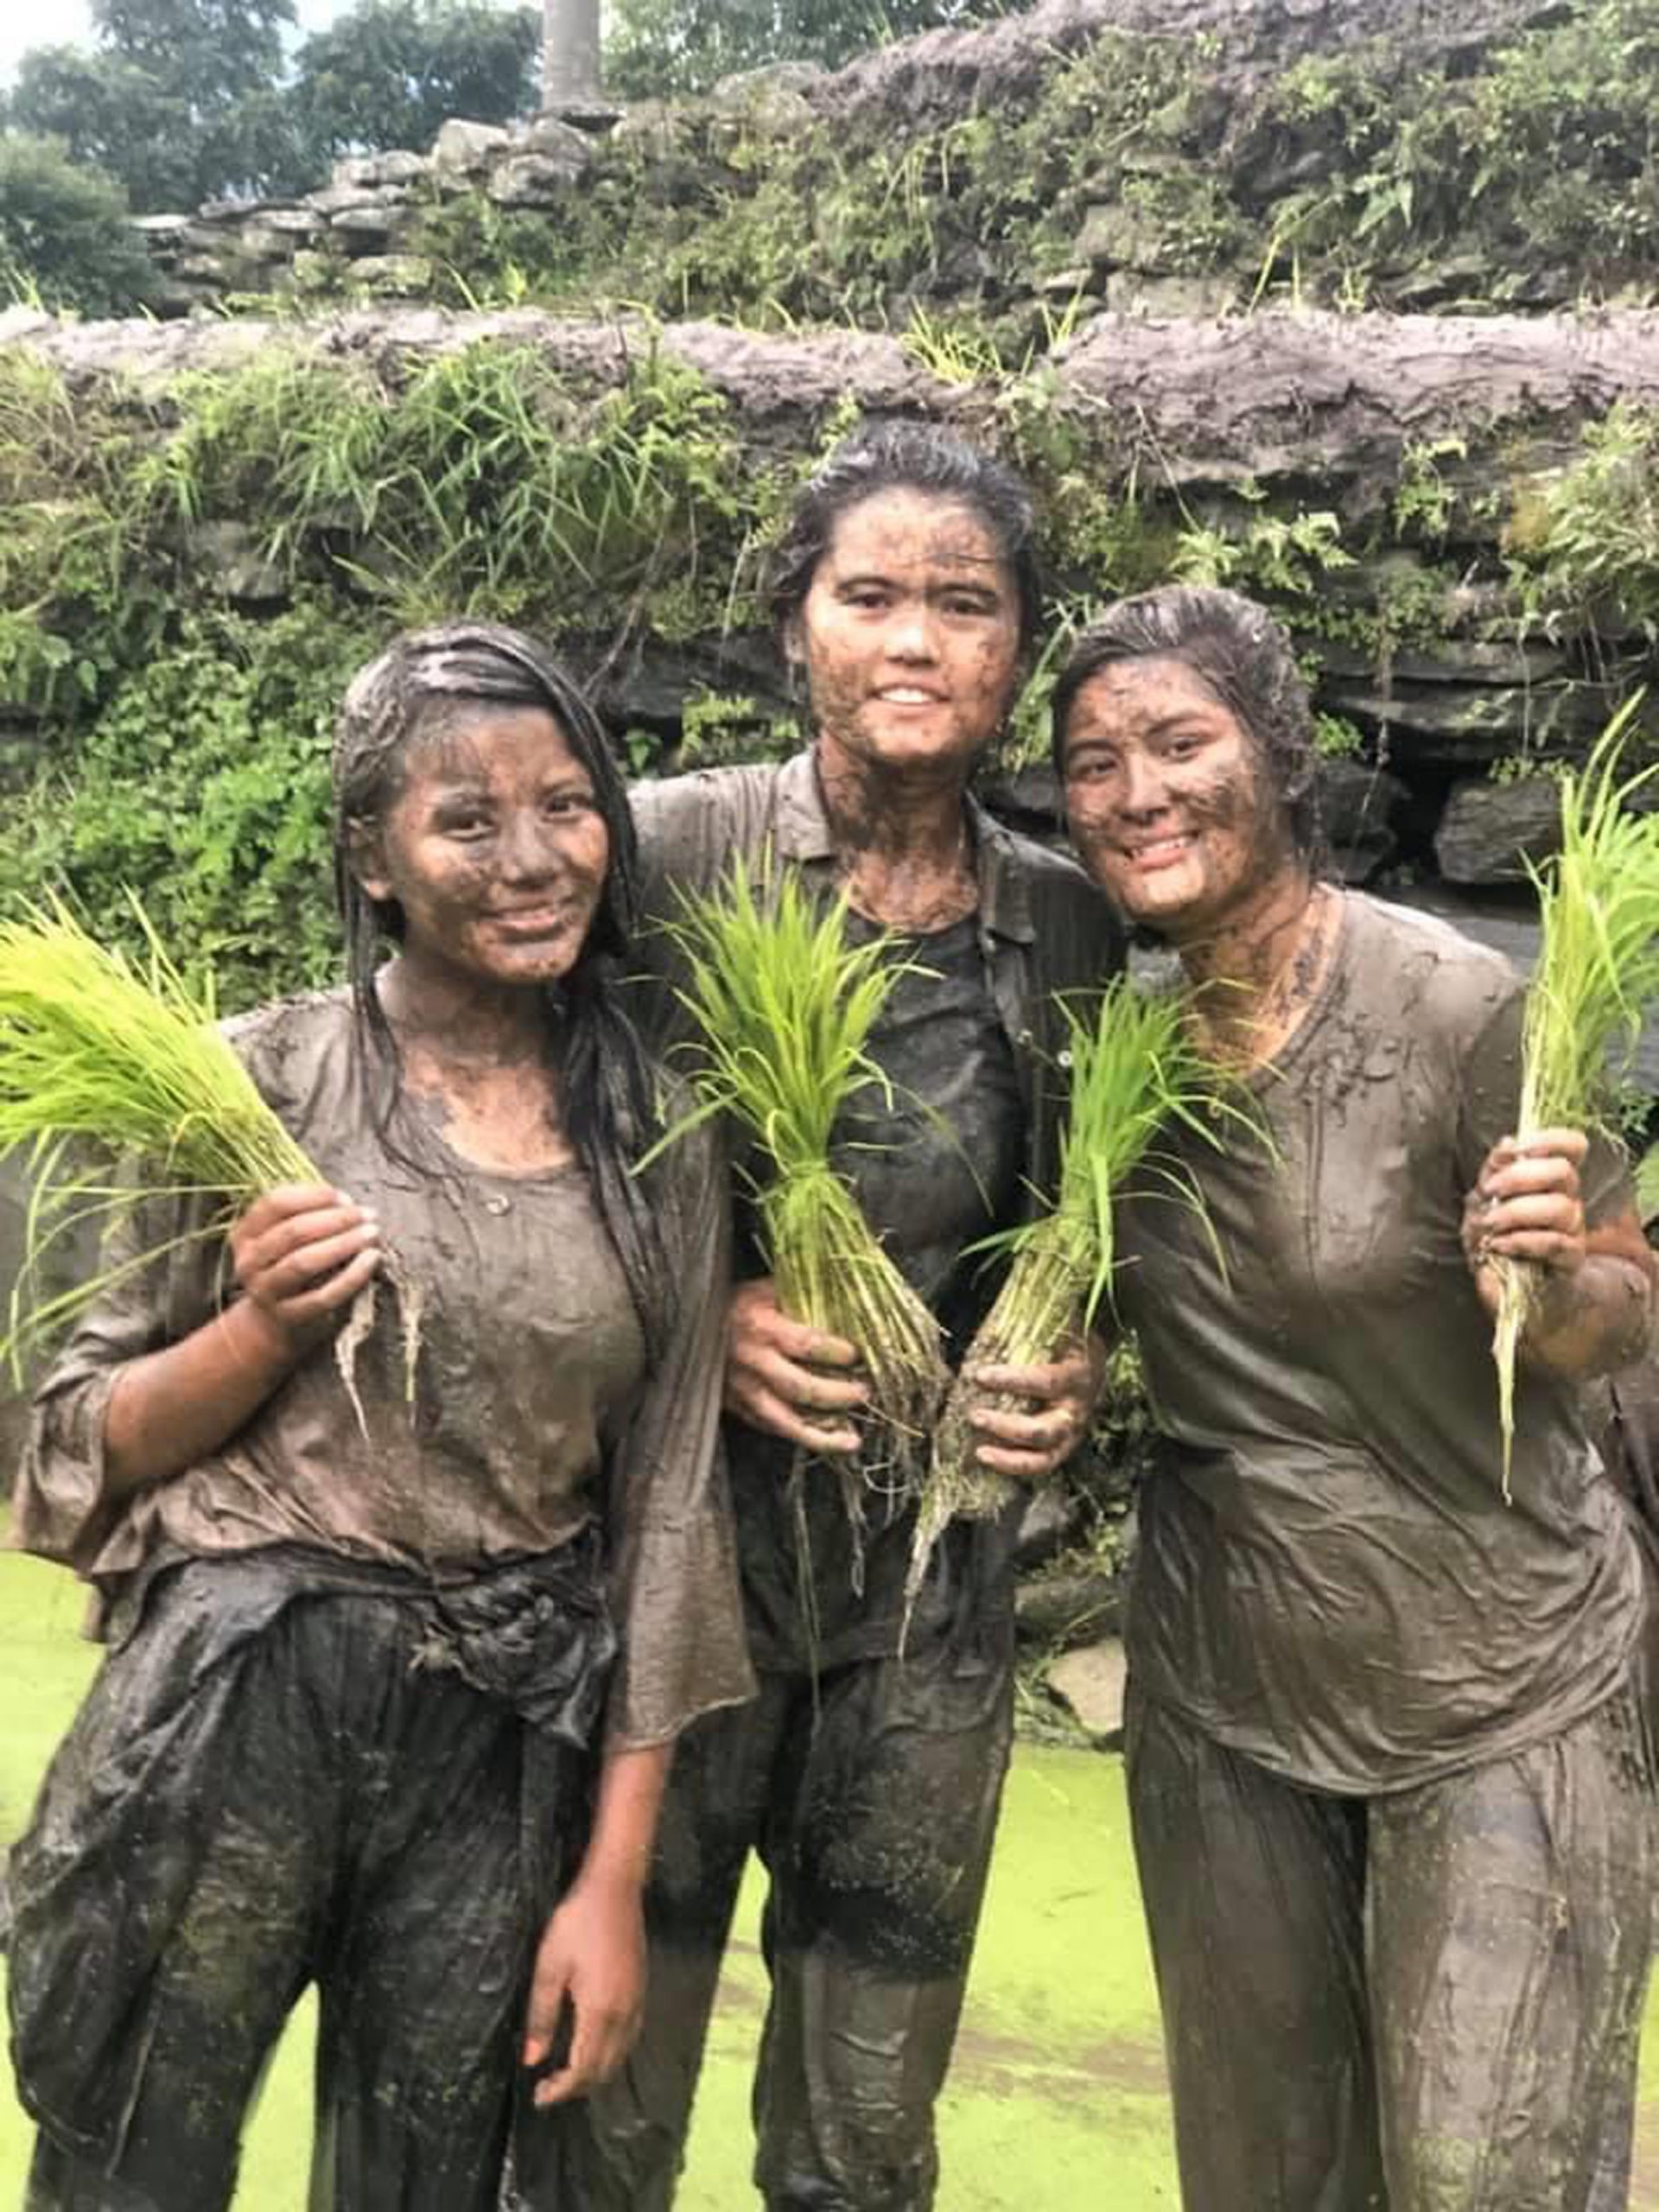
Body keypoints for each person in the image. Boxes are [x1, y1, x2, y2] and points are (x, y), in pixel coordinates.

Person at [6, 624, 752, 2212]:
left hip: (501, 1730)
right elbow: (67, 1451)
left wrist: (611, 1884)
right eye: (465, 821)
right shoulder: (242, 1088)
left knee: (424, 2175)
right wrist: (262, 1327)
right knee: (134, 2156)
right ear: (373, 859)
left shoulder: (660, 1132)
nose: (533, 858)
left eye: (567, 805)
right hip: (240, 1696)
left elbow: (670, 1514)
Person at [545, 421, 1123, 2211]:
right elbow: (503, 1129)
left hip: (924, 1601)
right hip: (670, 1569)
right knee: (597, 2089)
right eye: (868, 594)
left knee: (867, 2117)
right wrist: (701, 1309)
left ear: (1017, 646)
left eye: (966, 603)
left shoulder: (1064, 919)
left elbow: (1097, 1212)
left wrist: (1086, 1359)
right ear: (796, 620)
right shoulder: (662, 856)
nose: (914, 641)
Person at [1052, 582, 1657, 2211]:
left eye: (1181, 743)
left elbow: (1620, 1315)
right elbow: (1128, 1318)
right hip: (1227, 1691)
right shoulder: (1116, 1037)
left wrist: (1546, 1287)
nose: (1137, 793)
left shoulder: (1463, 1008)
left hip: (1498, 1675)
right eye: (1093, 764)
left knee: (1491, 2177)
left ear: (1279, 758)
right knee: (1265, 2181)